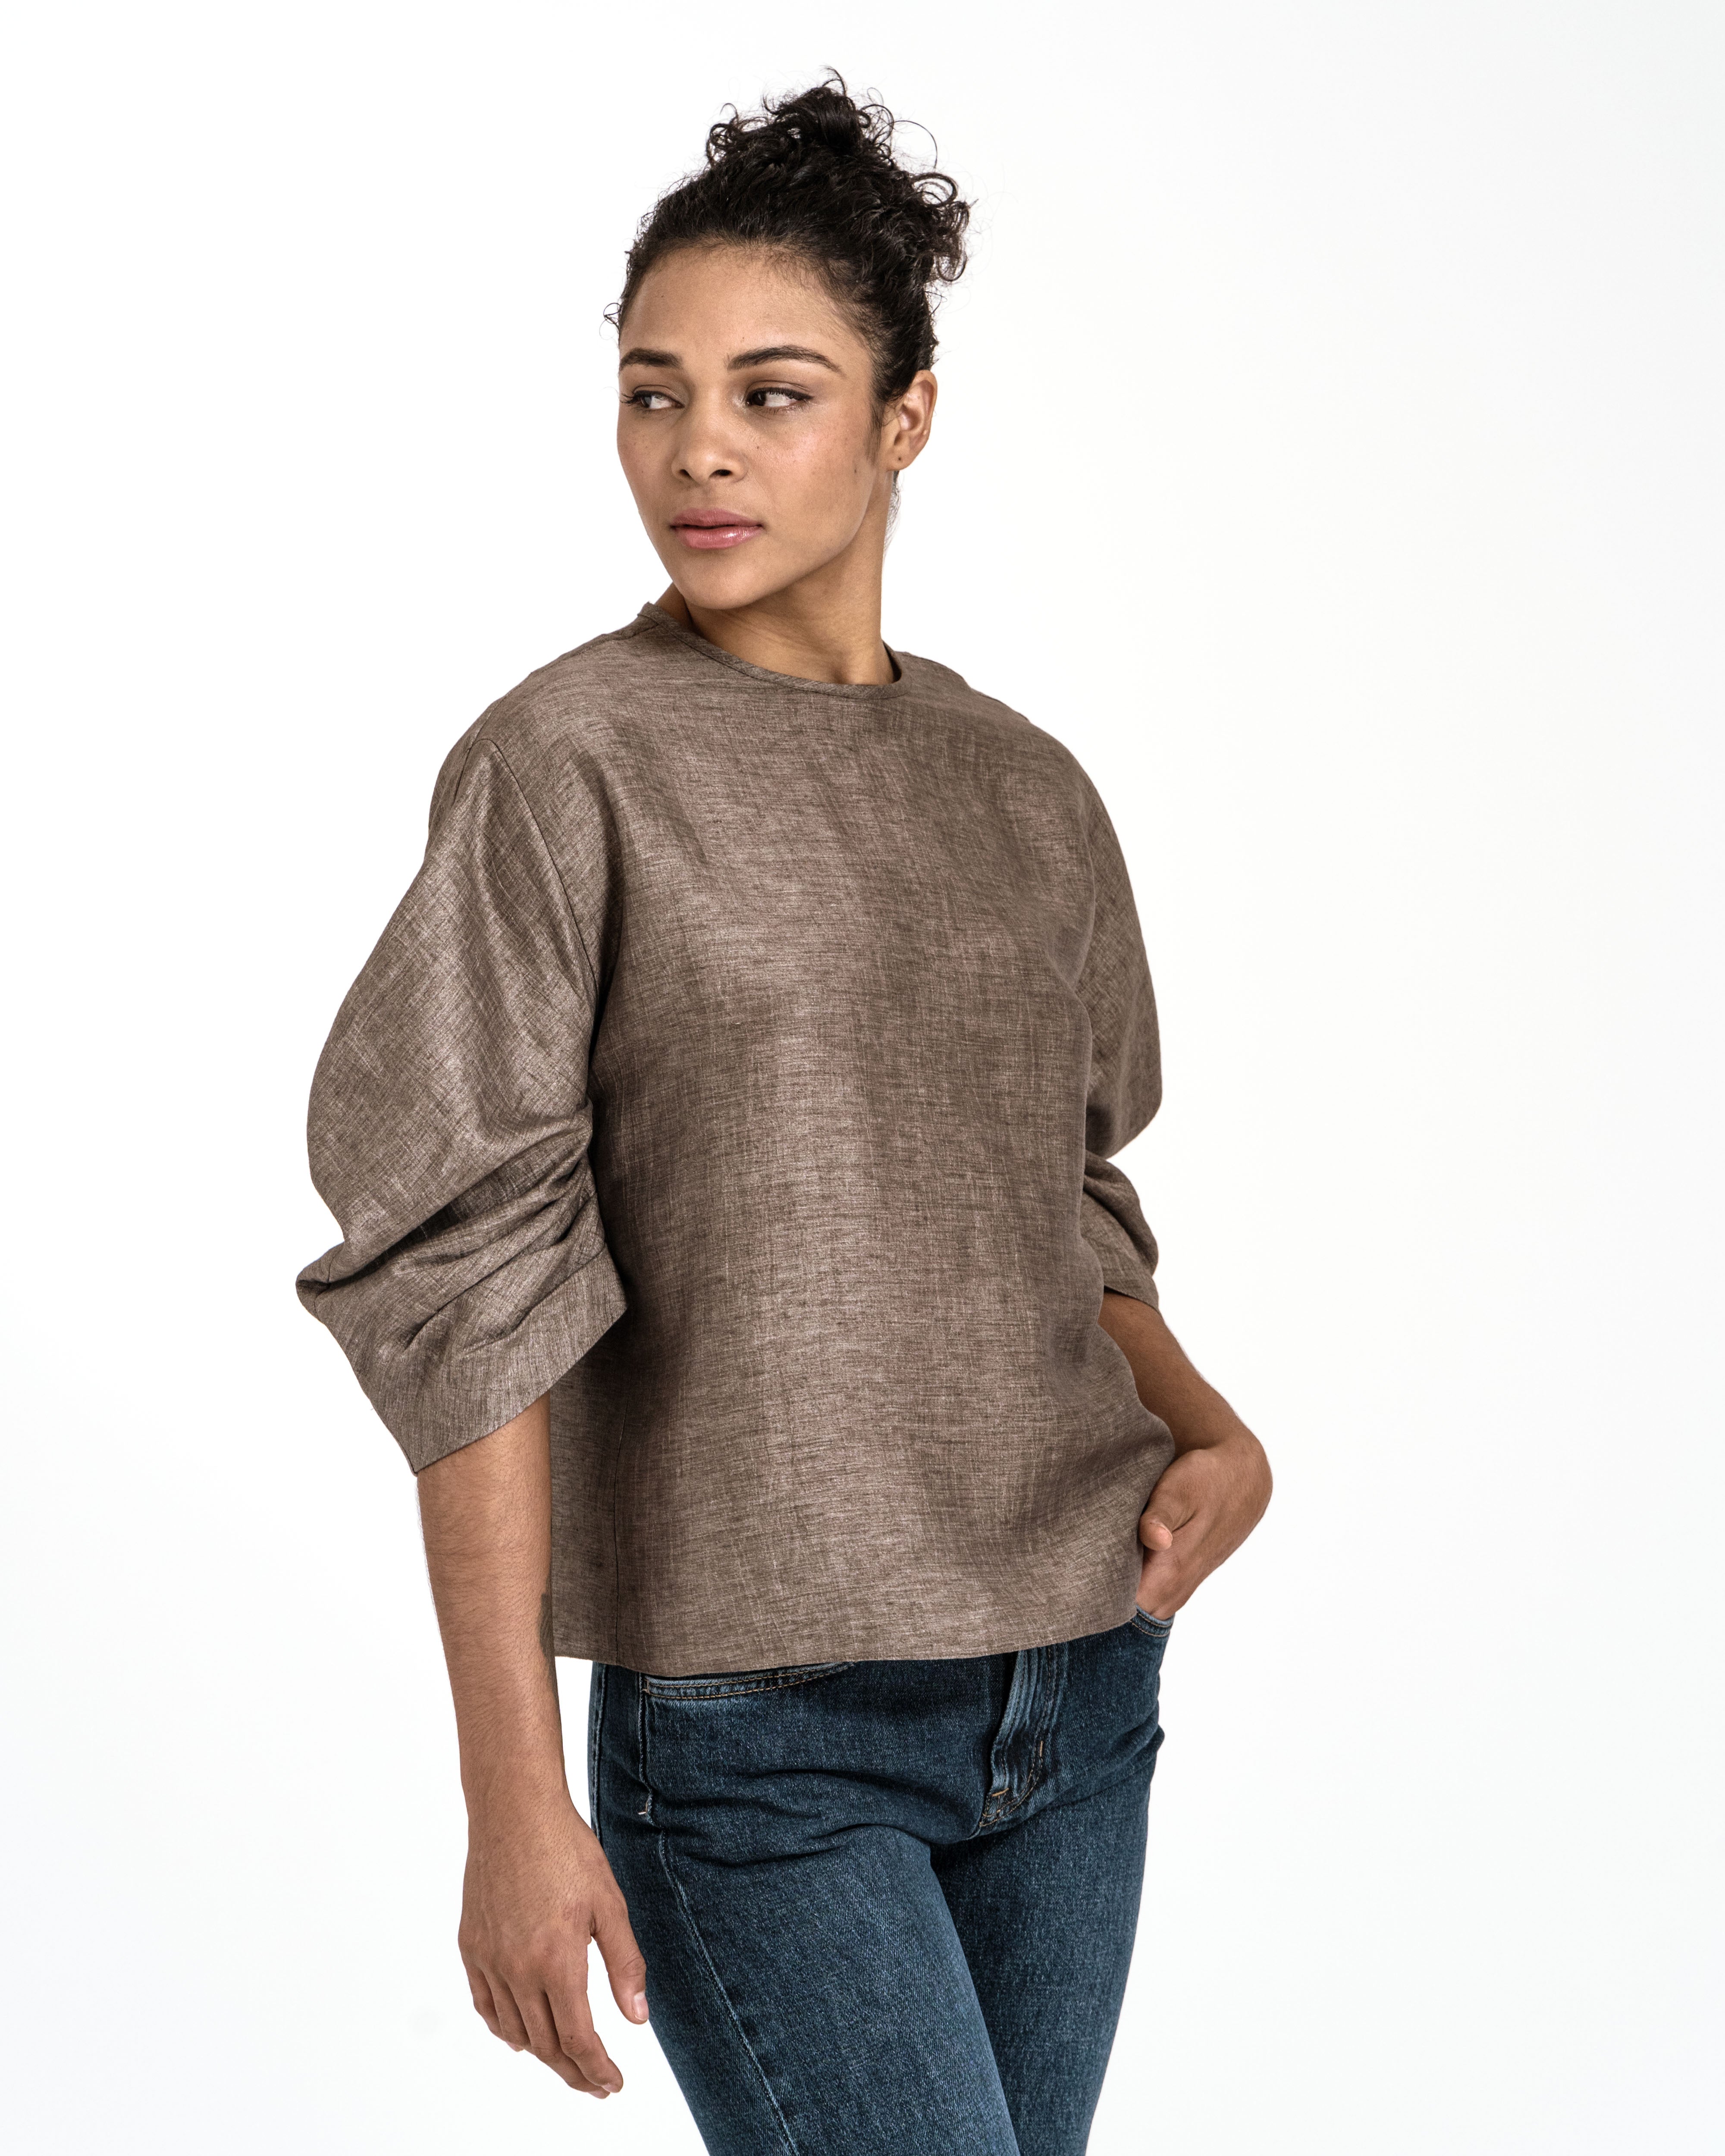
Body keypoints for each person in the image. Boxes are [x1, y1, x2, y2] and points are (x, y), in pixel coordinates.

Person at [297, 76, 1271, 2156]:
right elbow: (460, 1277)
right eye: (653, 394)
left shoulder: (1026, 788)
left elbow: (1062, 1191)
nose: (699, 450)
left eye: (772, 392)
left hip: (1074, 1685)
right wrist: (512, 1791)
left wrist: (1212, 1424)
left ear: (905, 418)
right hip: (758, 1731)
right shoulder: (567, 764)